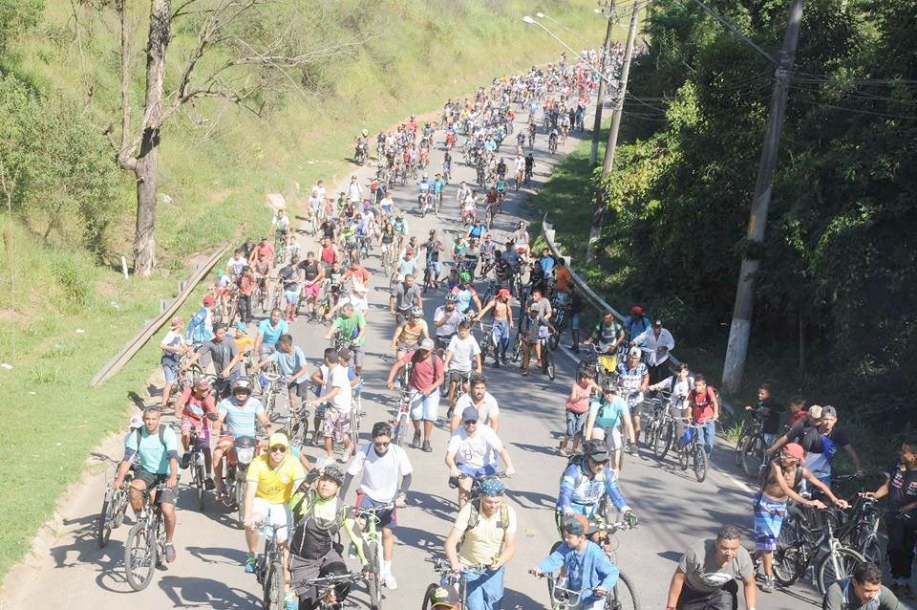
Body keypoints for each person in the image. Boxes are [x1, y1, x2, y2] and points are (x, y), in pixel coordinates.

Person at [753, 443, 847, 593]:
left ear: (796, 459)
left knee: (768, 541)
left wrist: (835, 499)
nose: (783, 457)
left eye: (787, 456)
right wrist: (809, 502)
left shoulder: (801, 471)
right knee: (769, 542)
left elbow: (820, 484)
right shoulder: (775, 464)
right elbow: (785, 489)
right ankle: (768, 577)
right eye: (783, 453)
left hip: (779, 507)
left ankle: (753, 559)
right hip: (764, 503)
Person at [342, 422, 413, 590]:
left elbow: (407, 476)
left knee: (387, 533)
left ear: (391, 439)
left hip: (389, 498)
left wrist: (402, 495)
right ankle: (359, 548)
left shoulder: (398, 452)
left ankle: (387, 572)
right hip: (368, 494)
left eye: (385, 443)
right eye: (378, 443)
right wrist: (340, 499)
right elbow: (349, 475)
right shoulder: (364, 451)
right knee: (359, 524)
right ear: (373, 439)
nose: (381, 447)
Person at [288, 465, 367, 610]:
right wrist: (307, 482)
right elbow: (293, 505)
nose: (326, 484)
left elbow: (357, 536)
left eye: (332, 482)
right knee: (307, 605)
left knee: (343, 581)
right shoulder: (308, 499)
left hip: (327, 556)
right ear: (318, 482)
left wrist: (367, 563)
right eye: (323, 480)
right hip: (302, 560)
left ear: (338, 488)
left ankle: (330, 601)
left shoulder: (343, 509)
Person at [243, 432, 306, 610]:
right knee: (254, 520)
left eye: (282, 449)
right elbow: (249, 492)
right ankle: (252, 555)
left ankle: (286, 591)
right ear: (268, 449)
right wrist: (247, 517)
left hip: (282, 504)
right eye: (274, 449)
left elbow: (302, 489)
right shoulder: (258, 463)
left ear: (287, 451)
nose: (277, 452)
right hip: (261, 500)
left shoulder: (294, 463)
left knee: (284, 547)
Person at [113, 408, 180, 563]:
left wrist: (173, 476)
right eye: (147, 419)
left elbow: (173, 456)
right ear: (143, 419)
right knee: (134, 488)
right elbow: (128, 458)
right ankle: (141, 519)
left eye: (153, 419)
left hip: (167, 473)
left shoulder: (167, 433)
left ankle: (169, 542)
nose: (150, 422)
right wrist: (119, 479)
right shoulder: (137, 435)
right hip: (148, 472)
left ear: (159, 419)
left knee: (166, 510)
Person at [443, 477, 518, 610]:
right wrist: (455, 563)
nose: (493, 506)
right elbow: (451, 541)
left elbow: (511, 546)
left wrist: (500, 561)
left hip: (494, 571)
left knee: (494, 606)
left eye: (497, 502)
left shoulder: (507, 513)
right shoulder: (470, 510)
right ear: (481, 496)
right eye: (488, 502)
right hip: (469, 568)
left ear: (503, 498)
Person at [862, 440, 917, 596]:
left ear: (914, 456)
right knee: (895, 546)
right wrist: (875, 495)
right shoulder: (896, 465)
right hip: (893, 513)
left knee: (908, 549)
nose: (901, 454)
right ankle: (895, 580)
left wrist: (909, 507)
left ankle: (905, 581)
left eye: (905, 451)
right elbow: (887, 486)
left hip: (912, 517)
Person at [531, 514, 620, 610]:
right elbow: (555, 558)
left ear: (581, 538)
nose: (566, 539)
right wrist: (541, 567)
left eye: (570, 537)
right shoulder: (566, 547)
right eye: (565, 536)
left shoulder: (594, 553)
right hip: (575, 593)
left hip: (593, 596)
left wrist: (604, 587)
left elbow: (613, 572)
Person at [766, 405, 863, 486]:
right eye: (824, 419)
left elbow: (851, 452)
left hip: (823, 472)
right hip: (803, 461)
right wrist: (773, 449)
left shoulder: (836, 434)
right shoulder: (804, 428)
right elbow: (787, 439)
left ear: (835, 420)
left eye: (830, 419)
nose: (826, 422)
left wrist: (858, 469)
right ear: (810, 416)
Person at [666, 525, 757, 610]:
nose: (729, 553)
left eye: (734, 549)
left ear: (739, 545)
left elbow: (749, 583)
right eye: (724, 548)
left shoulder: (743, 557)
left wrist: (751, 608)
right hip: (693, 591)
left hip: (721, 591)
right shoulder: (697, 553)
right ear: (716, 543)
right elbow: (679, 577)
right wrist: (671, 606)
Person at [556, 440, 637, 535]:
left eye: (604, 461)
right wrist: (568, 511)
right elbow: (565, 494)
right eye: (596, 462)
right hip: (570, 514)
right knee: (575, 543)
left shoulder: (606, 474)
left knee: (604, 543)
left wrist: (626, 511)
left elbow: (616, 495)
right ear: (587, 458)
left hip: (592, 516)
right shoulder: (574, 472)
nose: (601, 466)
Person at [212, 378, 273, 501]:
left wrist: (270, 430)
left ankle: (265, 487)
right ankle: (219, 484)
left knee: (268, 456)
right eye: (239, 391)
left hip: (250, 439)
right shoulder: (226, 403)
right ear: (233, 391)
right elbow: (219, 420)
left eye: (244, 391)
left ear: (249, 392)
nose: (241, 394)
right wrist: (216, 428)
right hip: (231, 438)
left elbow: (264, 419)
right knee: (217, 453)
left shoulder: (256, 403)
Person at [446, 406, 516, 508]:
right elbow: (448, 457)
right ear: (462, 421)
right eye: (467, 422)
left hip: (486, 466)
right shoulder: (457, 434)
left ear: (478, 421)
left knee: (495, 491)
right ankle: (463, 517)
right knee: (464, 490)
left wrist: (509, 466)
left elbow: (501, 450)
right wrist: (453, 467)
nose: (470, 425)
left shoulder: (486, 431)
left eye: (473, 422)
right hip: (466, 466)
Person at [386, 338, 444, 452]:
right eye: (422, 350)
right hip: (415, 388)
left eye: (426, 351)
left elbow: (441, 378)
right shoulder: (414, 355)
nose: (423, 353)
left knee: (430, 415)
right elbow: (398, 364)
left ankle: (426, 440)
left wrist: (430, 388)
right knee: (415, 414)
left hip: (431, 391)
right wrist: (390, 380)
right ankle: (417, 432)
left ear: (432, 350)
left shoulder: (436, 360)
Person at [305, 347, 354, 463]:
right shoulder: (331, 369)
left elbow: (335, 390)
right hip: (331, 407)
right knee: (327, 433)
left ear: (326, 359)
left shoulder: (338, 372)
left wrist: (320, 400)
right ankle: (330, 457)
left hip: (342, 409)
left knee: (341, 436)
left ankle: (349, 446)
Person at [251, 333, 310, 418]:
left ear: (286, 345)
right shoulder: (279, 352)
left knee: (302, 394)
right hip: (289, 378)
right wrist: (256, 368)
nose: (278, 345)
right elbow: (267, 359)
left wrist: (294, 377)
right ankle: (296, 417)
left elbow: (304, 369)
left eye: (280, 344)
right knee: (291, 396)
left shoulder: (298, 351)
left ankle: (304, 409)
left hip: (301, 377)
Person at [181, 322, 243, 399]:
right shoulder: (211, 344)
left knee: (235, 394)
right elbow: (199, 353)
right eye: (220, 333)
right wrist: (187, 365)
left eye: (224, 332)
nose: (222, 335)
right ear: (214, 333)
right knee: (223, 397)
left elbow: (236, 356)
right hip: (221, 374)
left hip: (233, 372)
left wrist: (228, 369)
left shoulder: (229, 341)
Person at [584, 382, 636, 471]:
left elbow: (628, 423)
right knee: (597, 444)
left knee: (616, 448)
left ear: (615, 393)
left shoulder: (620, 402)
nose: (609, 395)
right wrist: (587, 440)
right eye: (607, 392)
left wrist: (632, 443)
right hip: (599, 426)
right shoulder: (597, 401)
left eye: (612, 392)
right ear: (603, 392)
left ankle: (614, 475)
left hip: (614, 427)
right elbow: (590, 423)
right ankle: (595, 470)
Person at [175, 377, 217, 486]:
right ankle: (187, 452)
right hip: (188, 418)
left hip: (203, 422)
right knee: (185, 433)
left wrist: (215, 427)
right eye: (202, 390)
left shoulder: (208, 399)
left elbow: (214, 414)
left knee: (207, 449)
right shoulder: (189, 392)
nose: (205, 392)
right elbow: (179, 402)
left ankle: (208, 476)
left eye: (207, 389)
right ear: (195, 389)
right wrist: (177, 411)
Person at [823, 562, 904, 610]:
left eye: (876, 590)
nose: (873, 596)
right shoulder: (837, 593)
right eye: (867, 590)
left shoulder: (882, 593)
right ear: (854, 582)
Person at [444, 320, 482, 418]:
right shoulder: (455, 338)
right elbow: (450, 351)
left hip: (466, 369)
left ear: (469, 330)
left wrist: (479, 367)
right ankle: (451, 406)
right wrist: (446, 364)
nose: (462, 332)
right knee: (453, 385)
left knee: (466, 388)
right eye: (461, 330)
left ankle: (467, 407)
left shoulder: (472, 340)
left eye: (464, 330)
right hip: (455, 367)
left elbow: (477, 354)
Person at [615, 346, 649, 445]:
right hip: (623, 397)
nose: (632, 360)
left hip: (636, 398)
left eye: (635, 359)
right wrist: (615, 389)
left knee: (636, 421)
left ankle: (634, 444)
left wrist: (643, 385)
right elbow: (613, 378)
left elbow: (646, 376)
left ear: (639, 359)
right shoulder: (620, 366)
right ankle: (616, 440)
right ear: (627, 356)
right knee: (619, 421)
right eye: (630, 357)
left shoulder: (642, 367)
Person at [474, 287, 514, 368]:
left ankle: (503, 354)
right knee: (495, 343)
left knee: (505, 342)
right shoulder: (494, 302)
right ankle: (496, 360)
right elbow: (485, 309)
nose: (506, 298)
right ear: (502, 296)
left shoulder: (507, 302)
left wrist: (511, 321)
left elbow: (509, 311)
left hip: (505, 323)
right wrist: (478, 317)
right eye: (505, 296)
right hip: (496, 323)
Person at [326, 302, 367, 375]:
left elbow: (363, 328)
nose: (343, 312)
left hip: (359, 342)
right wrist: (329, 334)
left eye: (344, 311)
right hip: (347, 343)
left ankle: (357, 375)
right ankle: (350, 379)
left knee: (359, 364)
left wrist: (357, 339)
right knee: (349, 365)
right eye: (342, 310)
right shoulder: (341, 318)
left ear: (351, 310)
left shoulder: (358, 315)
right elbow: (334, 326)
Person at [631, 319, 675, 385]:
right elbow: (641, 337)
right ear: (652, 327)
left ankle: (665, 393)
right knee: (652, 376)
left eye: (658, 327)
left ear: (661, 326)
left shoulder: (666, 332)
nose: (657, 329)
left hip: (663, 358)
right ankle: (652, 392)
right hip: (652, 358)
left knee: (664, 376)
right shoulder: (648, 332)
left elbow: (671, 343)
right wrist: (634, 341)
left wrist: (665, 347)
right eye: (655, 327)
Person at [159, 316, 190, 409]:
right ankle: (163, 404)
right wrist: (175, 348)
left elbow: (183, 345)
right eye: (182, 324)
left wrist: (190, 351)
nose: (184, 325)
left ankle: (168, 401)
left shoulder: (179, 336)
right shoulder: (170, 335)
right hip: (168, 360)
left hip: (175, 360)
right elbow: (161, 345)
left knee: (174, 382)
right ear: (179, 325)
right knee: (170, 382)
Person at [583, 310, 625, 376]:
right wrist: (588, 341)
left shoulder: (617, 326)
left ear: (612, 318)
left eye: (609, 318)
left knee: (611, 370)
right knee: (601, 367)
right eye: (605, 318)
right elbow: (593, 335)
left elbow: (622, 335)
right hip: (601, 348)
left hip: (612, 350)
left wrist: (615, 345)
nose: (607, 320)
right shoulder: (600, 326)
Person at [519, 303, 550, 377]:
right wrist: (528, 333)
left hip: (535, 337)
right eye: (533, 311)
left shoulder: (540, 318)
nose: (534, 313)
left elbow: (547, 323)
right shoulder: (526, 318)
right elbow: (523, 328)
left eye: (536, 312)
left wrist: (554, 330)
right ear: (530, 311)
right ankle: (527, 369)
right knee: (527, 353)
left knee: (531, 353)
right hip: (526, 338)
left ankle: (538, 362)